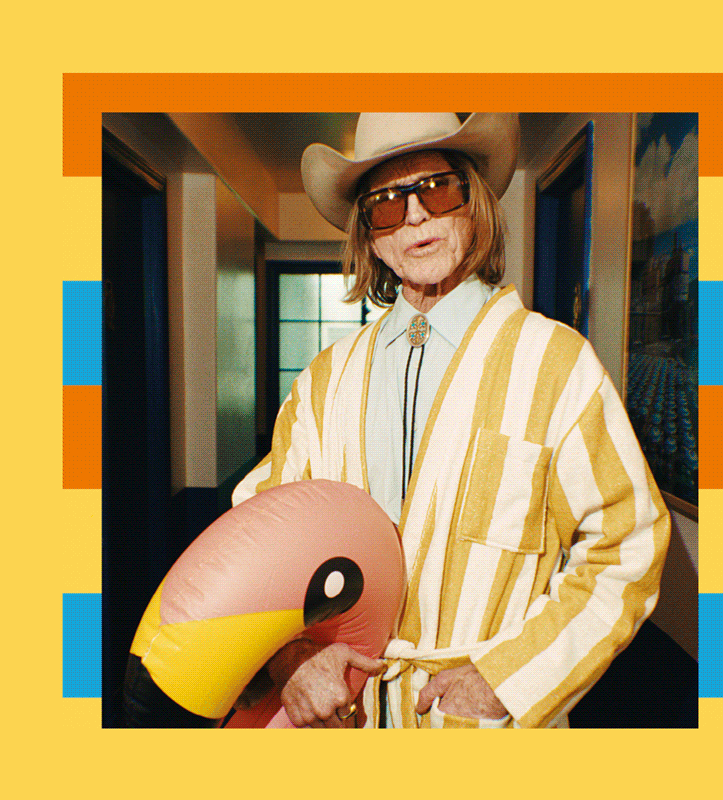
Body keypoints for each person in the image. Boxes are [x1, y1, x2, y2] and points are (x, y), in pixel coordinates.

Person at [232, 112, 670, 729]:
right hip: (346, 721)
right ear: (369, 235)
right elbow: (257, 547)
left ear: (475, 205)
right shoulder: (322, 383)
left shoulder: (555, 363)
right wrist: (294, 660)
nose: (414, 216)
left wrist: (509, 681)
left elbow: (626, 547)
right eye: (386, 203)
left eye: (436, 189)